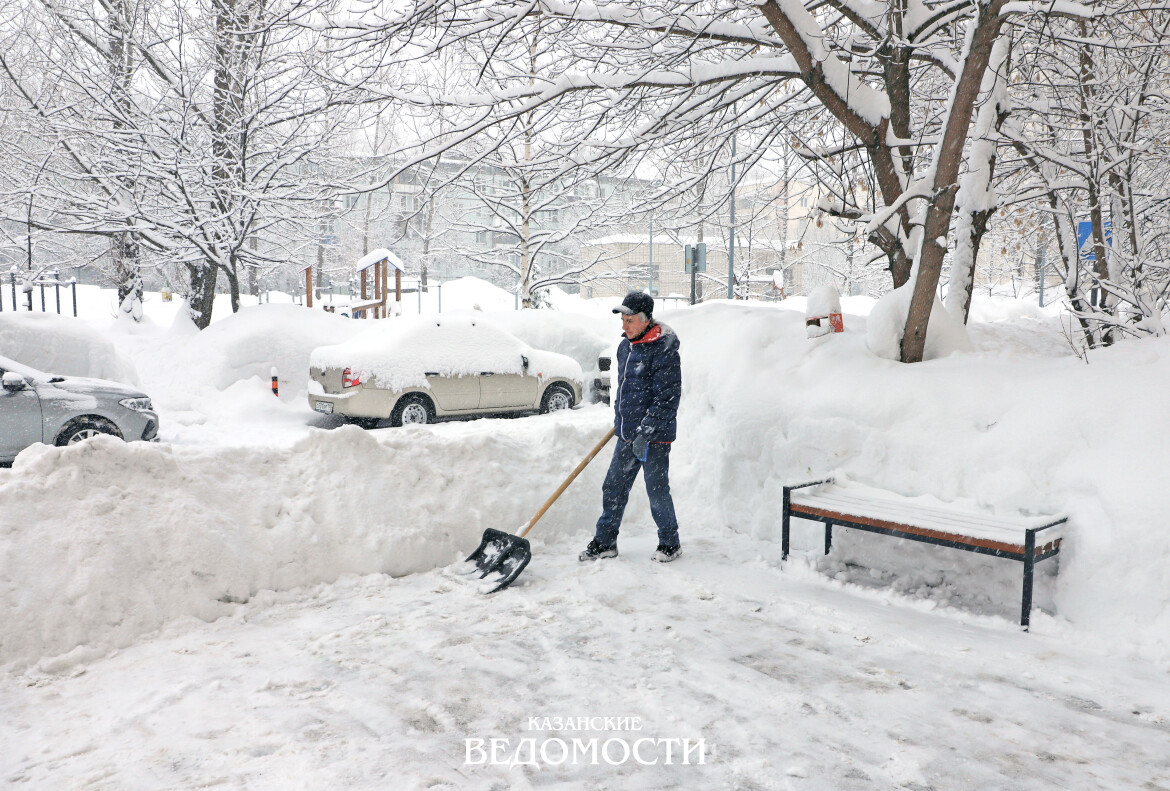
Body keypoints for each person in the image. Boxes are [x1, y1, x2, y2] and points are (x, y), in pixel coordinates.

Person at [580, 291, 683, 563]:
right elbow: (624, 391)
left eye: (629, 320)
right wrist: (621, 421)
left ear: (645, 319)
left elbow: (668, 397)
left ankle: (670, 543)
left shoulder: (664, 348)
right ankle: (605, 542)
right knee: (613, 487)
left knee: (657, 491)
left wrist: (646, 431)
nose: (623, 326)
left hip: (655, 438)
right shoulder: (625, 346)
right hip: (627, 435)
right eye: (622, 319)